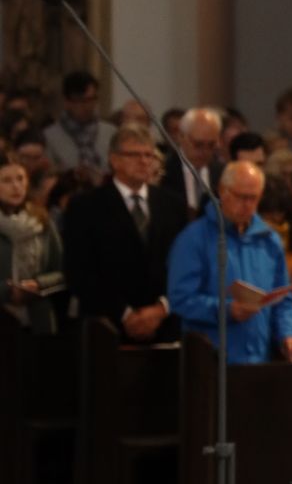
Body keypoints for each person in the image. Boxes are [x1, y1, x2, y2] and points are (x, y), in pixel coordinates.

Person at [167, 160, 292, 364]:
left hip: (260, 358)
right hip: (212, 360)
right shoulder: (194, 239)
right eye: (240, 197)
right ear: (222, 191)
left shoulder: (269, 240)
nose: (247, 205)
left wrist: (289, 333)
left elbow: (283, 299)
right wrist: (226, 310)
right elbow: (180, 299)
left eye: (253, 198)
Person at [62, 124, 187, 340]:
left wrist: (161, 308)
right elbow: (79, 271)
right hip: (107, 327)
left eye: (149, 155)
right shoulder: (85, 206)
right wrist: (125, 314)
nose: (144, 161)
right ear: (114, 160)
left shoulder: (172, 205)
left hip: (164, 325)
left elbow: (183, 264)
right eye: (134, 155)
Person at [0, 152, 65, 334]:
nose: (16, 186)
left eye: (20, 179)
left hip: (38, 321)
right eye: (6, 180)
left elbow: (62, 270)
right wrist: (7, 290)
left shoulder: (42, 221)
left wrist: (38, 284)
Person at [42, 70, 116, 182]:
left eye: (91, 99)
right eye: (81, 101)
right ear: (67, 102)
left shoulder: (111, 132)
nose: (87, 106)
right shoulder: (49, 137)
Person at [161, 106, 223, 213]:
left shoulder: (222, 173)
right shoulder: (164, 171)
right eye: (198, 144)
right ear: (181, 137)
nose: (205, 151)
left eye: (211, 145)